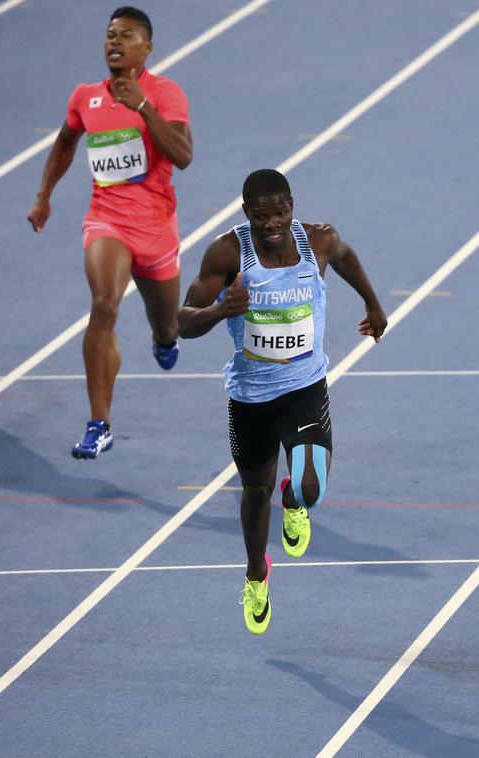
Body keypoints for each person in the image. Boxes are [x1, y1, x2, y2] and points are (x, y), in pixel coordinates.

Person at [177, 169, 387, 635]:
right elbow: (182, 322)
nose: (272, 224)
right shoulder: (228, 253)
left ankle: (295, 500)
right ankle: (256, 573)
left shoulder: (319, 241)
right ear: (245, 212)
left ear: (292, 205)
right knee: (255, 491)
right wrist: (219, 310)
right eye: (261, 216)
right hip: (250, 397)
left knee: (311, 487)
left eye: (280, 213)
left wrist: (373, 304)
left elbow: (348, 257)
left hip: (304, 387)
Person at [27, 6, 194, 459]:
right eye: (108, 35)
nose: (114, 41)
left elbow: (183, 154)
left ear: (147, 47)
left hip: (157, 227)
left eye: (126, 34)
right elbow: (65, 141)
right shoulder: (85, 97)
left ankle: (163, 339)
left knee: (166, 325)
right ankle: (99, 422)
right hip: (108, 220)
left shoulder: (165, 93)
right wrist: (44, 196)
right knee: (104, 306)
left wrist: (140, 104)